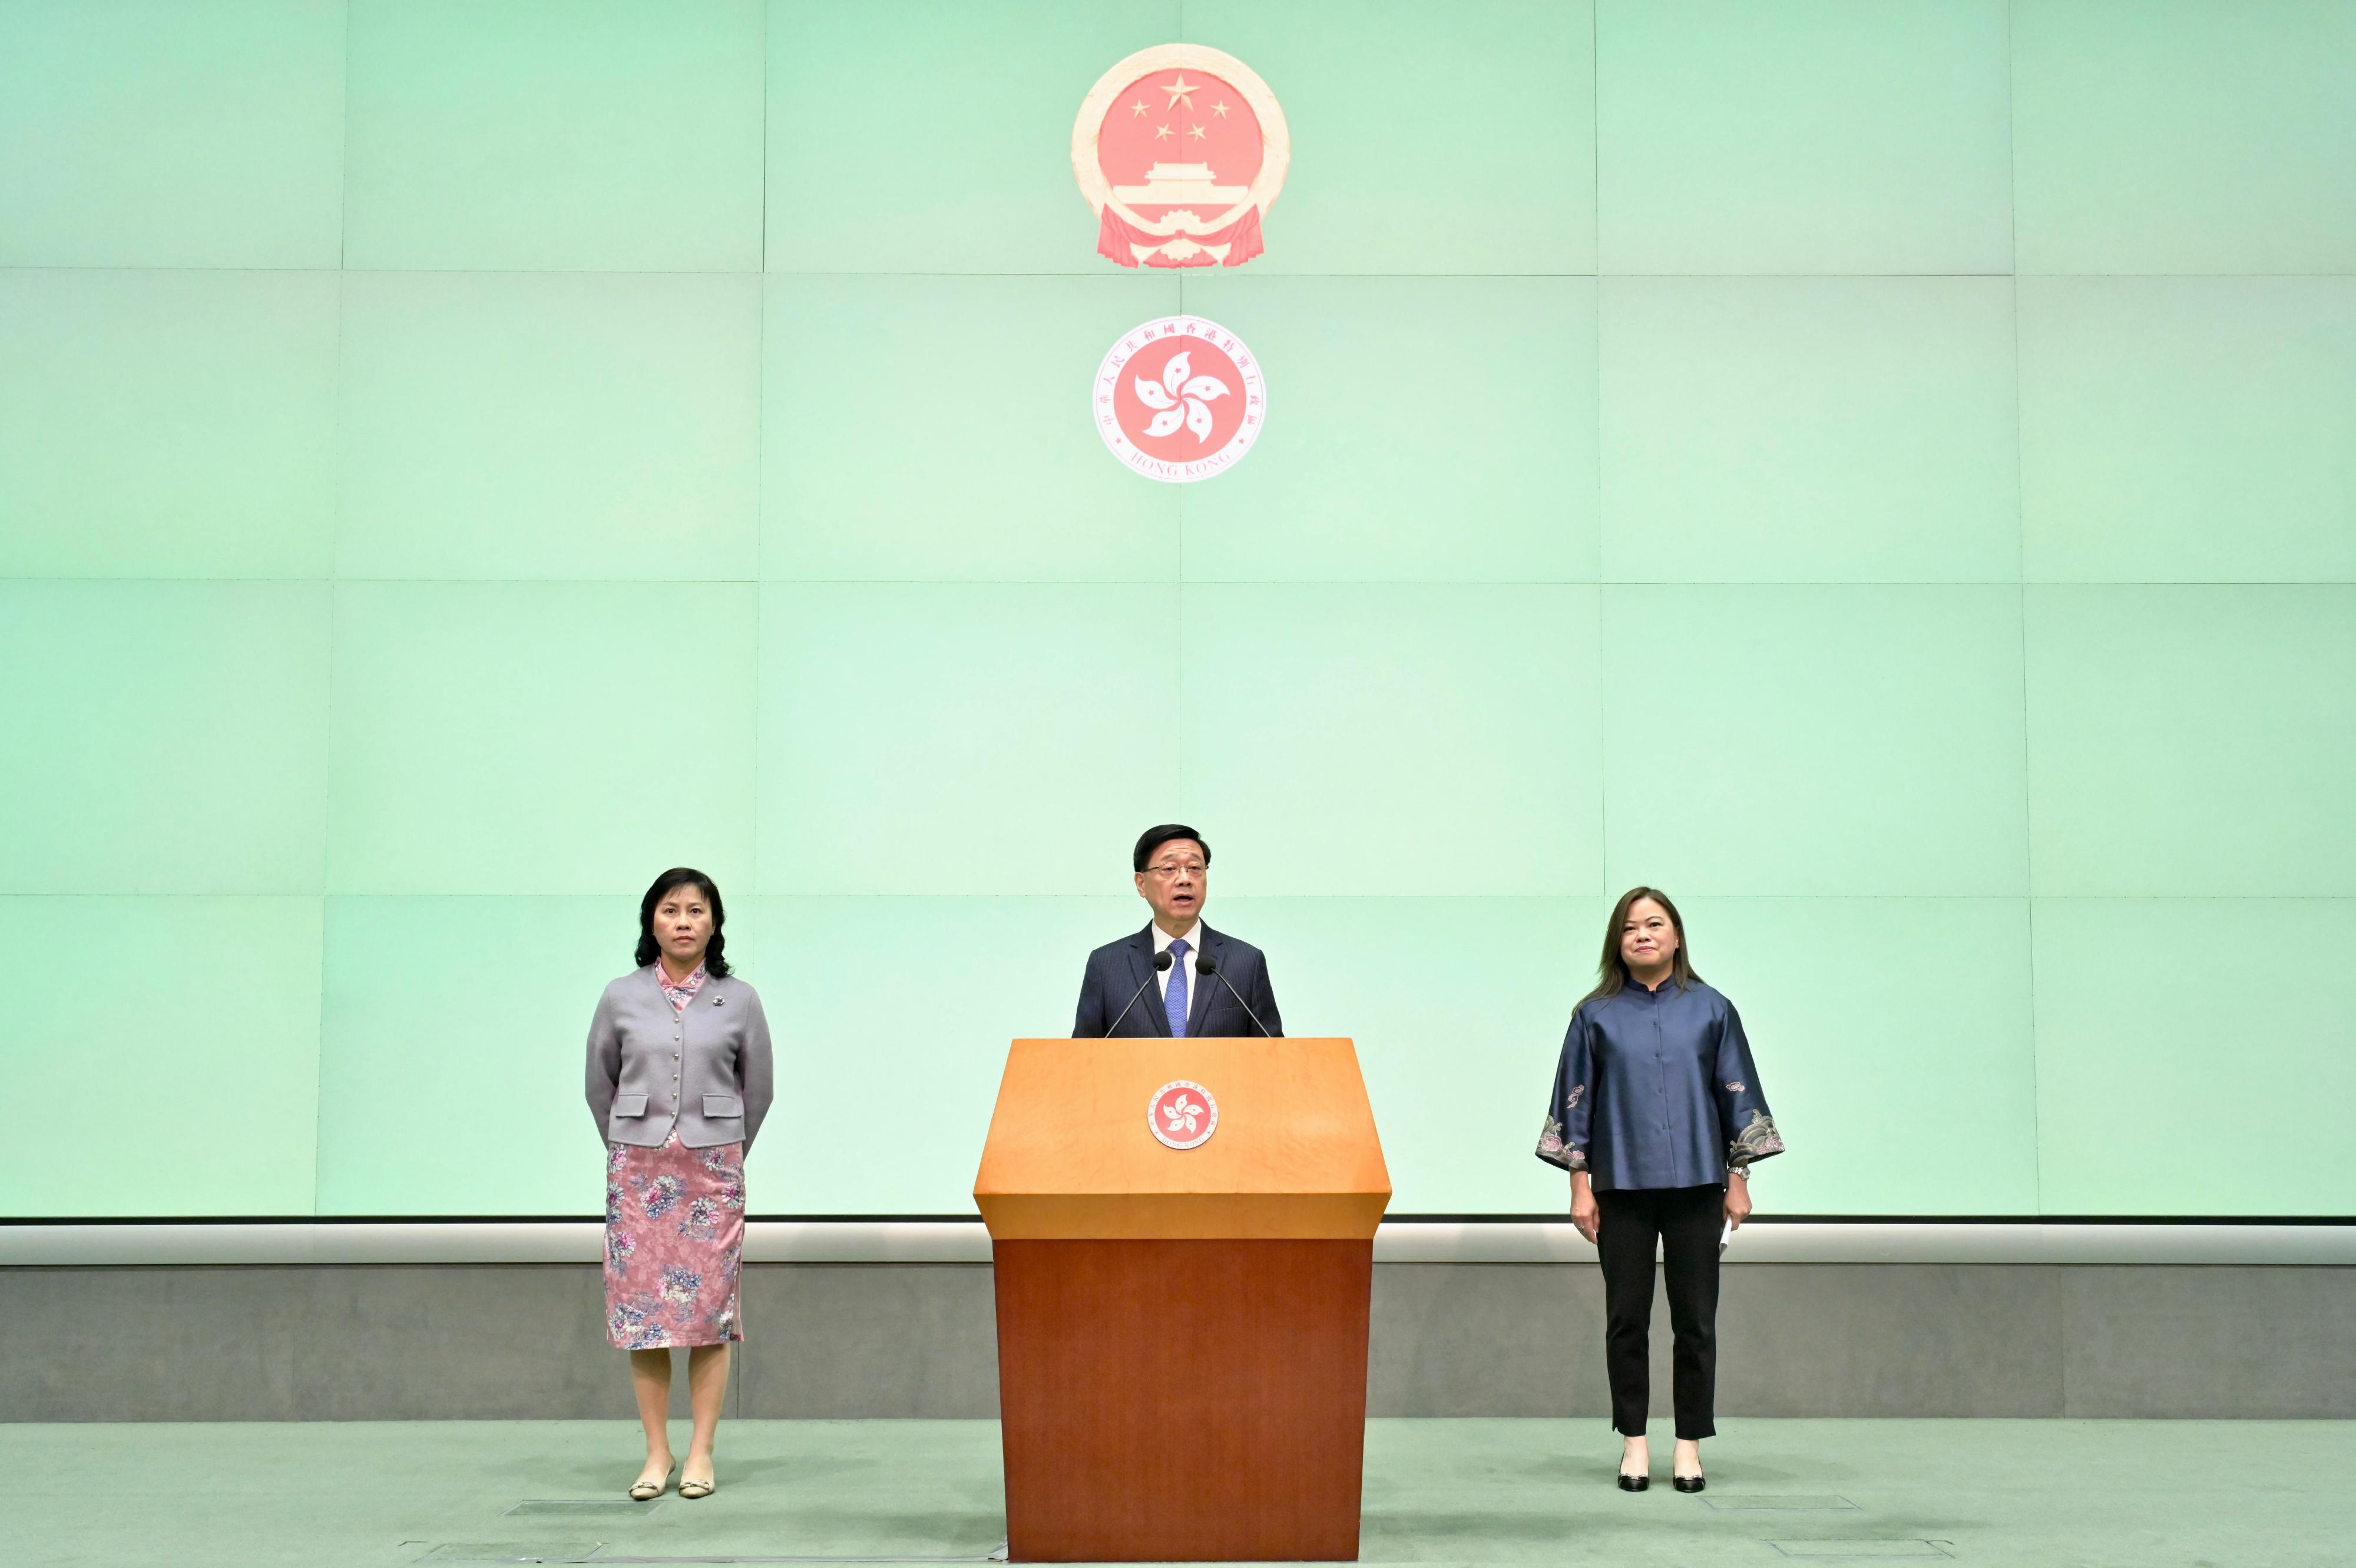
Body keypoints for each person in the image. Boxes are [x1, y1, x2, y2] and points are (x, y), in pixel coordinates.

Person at [1536, 887, 1783, 1494]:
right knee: (1626, 1320)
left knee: (1696, 1320)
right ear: (1616, 943)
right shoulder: (1593, 1016)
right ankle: (1634, 1443)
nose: (1642, 934)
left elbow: (1736, 1093)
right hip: (1619, 1188)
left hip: (1699, 1185)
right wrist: (1579, 1186)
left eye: (1654, 924)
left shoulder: (1712, 1008)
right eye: (1629, 927)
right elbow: (1577, 1104)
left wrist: (1739, 1179)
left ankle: (1689, 1445)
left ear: (1675, 937)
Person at [585, 868, 773, 1501]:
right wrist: (626, 1147)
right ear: (652, 921)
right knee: (644, 1316)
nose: (684, 921)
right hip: (637, 1176)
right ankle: (656, 1452)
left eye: (697, 910)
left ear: (715, 922)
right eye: (671, 910)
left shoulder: (739, 998)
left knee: (709, 1315)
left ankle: (700, 1451)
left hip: (713, 1174)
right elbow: (598, 1084)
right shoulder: (619, 995)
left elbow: (759, 1087)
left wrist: (727, 1152)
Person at [1073, 823, 1283, 1038]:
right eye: (1169, 868)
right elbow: (1082, 1060)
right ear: (1141, 884)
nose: (1185, 879)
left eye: (1195, 868)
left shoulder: (1247, 962)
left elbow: (1273, 1058)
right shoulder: (1106, 965)